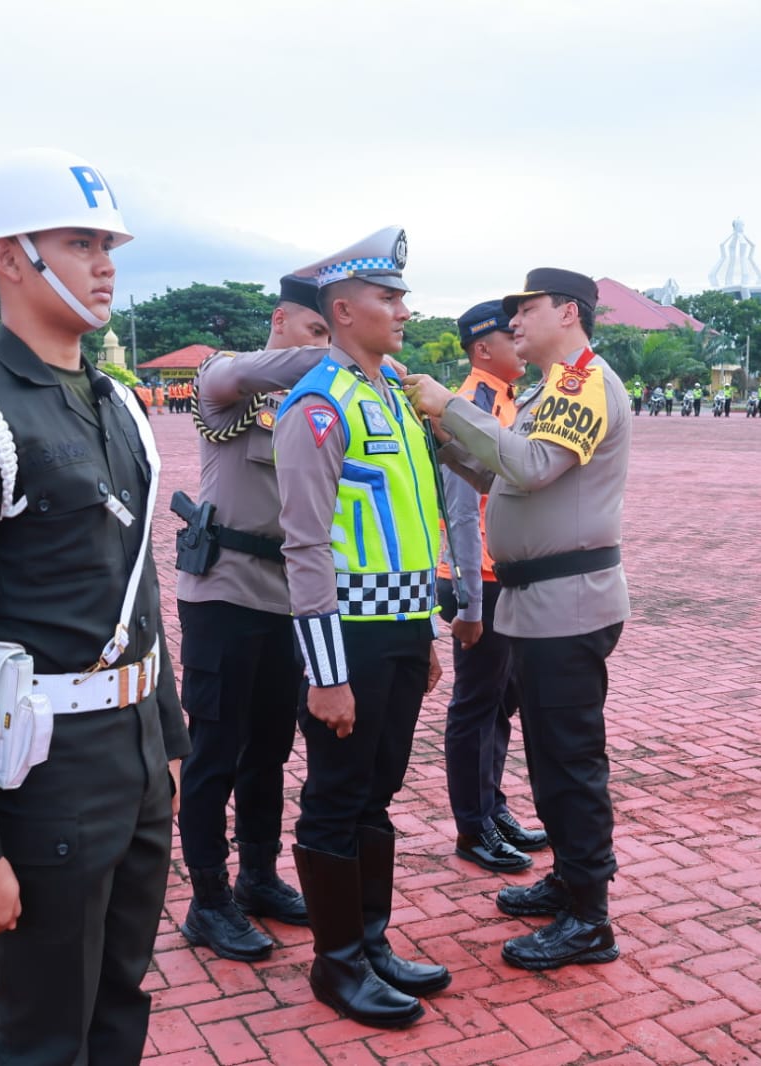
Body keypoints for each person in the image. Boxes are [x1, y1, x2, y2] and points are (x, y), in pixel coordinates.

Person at [0, 147, 188, 1065]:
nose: (105, 262)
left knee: (119, 1002)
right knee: (43, 1031)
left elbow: (137, 585)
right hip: (46, 773)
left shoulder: (116, 404)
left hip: (134, 759)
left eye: (108, 242)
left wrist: (168, 746)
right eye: (79, 241)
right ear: (9, 257)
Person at [404, 267, 630, 972]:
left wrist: (450, 406)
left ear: (566, 311)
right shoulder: (546, 389)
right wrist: (443, 439)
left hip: (568, 602)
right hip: (540, 604)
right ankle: (569, 880)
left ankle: (589, 918)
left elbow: (530, 468)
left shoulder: (583, 382)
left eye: (524, 310)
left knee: (570, 761)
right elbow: (505, 477)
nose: (514, 325)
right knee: (548, 757)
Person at [272, 227, 449, 1029]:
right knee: (336, 796)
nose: (403, 310)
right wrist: (325, 674)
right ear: (343, 311)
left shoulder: (391, 395)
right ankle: (335, 963)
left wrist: (426, 635)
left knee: (375, 792)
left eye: (402, 295)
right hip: (347, 637)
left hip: (401, 630)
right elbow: (305, 547)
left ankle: (369, 941)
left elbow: (413, 523)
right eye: (388, 298)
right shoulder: (319, 405)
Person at [173, 274, 333, 962]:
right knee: (213, 752)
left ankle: (258, 877)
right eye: (320, 330)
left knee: (268, 749)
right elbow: (280, 367)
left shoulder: (313, 402)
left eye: (334, 334)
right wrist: (351, 348)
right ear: (282, 321)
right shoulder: (223, 377)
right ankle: (207, 900)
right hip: (222, 595)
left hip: (283, 596)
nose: (327, 346)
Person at [439, 300, 548, 876]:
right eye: (512, 336)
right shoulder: (469, 405)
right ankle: (471, 826)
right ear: (484, 349)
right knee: (475, 706)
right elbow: (460, 511)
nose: (521, 342)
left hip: (500, 575)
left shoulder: (507, 400)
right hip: (476, 579)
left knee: (501, 703)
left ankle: (493, 805)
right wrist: (470, 602)